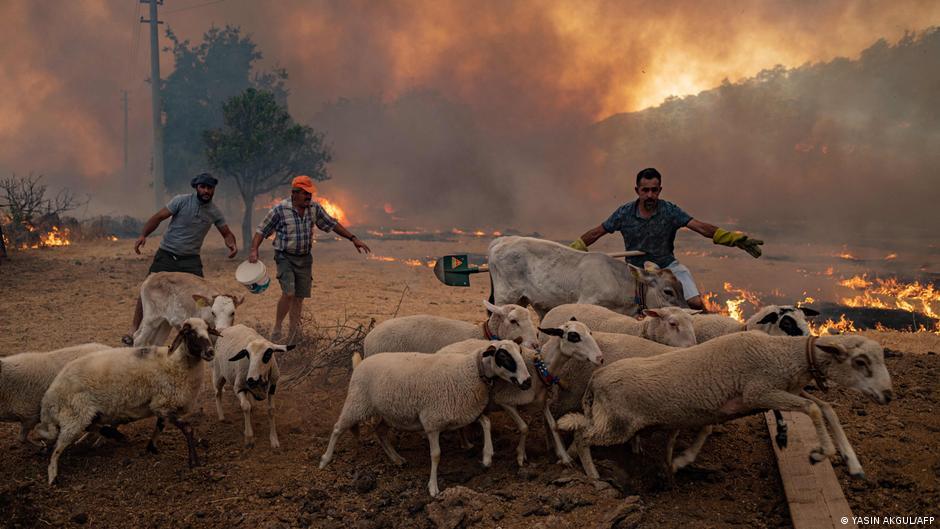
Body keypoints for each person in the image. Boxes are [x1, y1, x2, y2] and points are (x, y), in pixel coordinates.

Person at [570, 167, 763, 311]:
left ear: (660, 190)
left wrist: (730, 238)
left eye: (654, 190)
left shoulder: (669, 210)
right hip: (638, 274)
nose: (650, 195)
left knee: (695, 305)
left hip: (668, 268)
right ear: (637, 190)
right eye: (645, 190)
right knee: (630, 313)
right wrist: (574, 249)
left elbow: (700, 227)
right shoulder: (624, 213)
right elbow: (597, 232)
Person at [248, 175, 371, 342]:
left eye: (310, 193)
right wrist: (254, 249)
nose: (309, 196)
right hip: (285, 256)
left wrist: (353, 238)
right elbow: (262, 230)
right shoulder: (280, 210)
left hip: (305, 258)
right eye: (305, 193)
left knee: (299, 298)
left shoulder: (314, 208)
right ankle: (277, 327)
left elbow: (332, 224)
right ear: (294, 193)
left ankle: (292, 335)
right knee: (289, 293)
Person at [123, 172, 238, 345]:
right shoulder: (181, 201)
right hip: (167, 254)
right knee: (149, 287)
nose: (206, 191)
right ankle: (133, 329)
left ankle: (196, 336)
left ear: (214, 190)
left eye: (210, 188)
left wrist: (232, 244)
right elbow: (159, 217)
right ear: (196, 188)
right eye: (203, 187)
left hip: (190, 259)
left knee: (201, 299)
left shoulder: (214, 212)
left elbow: (227, 233)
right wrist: (143, 235)